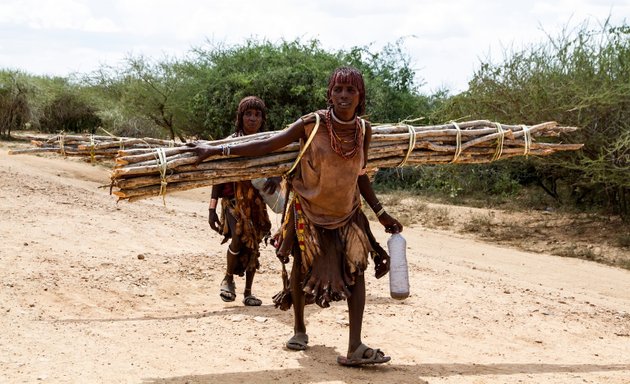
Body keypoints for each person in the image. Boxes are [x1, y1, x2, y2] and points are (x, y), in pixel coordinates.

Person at [189, 67, 403, 366]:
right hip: (309, 210)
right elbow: (267, 145)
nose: (343, 96)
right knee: (301, 268)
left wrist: (381, 213)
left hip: (347, 212)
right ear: (330, 94)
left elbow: (361, 175)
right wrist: (215, 150)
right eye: (338, 90)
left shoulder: (363, 131)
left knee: (357, 270)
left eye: (350, 90)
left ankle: (355, 345)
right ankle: (300, 329)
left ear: (360, 96)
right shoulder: (312, 124)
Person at [208, 96, 279, 306]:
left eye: (257, 115)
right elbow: (218, 175)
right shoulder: (229, 142)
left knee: (254, 244)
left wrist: (275, 178)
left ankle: (248, 292)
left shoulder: (267, 142)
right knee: (238, 237)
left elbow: (279, 165)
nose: (253, 119)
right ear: (240, 117)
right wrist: (212, 209)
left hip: (256, 202)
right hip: (233, 200)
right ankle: (228, 279)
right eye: (248, 114)